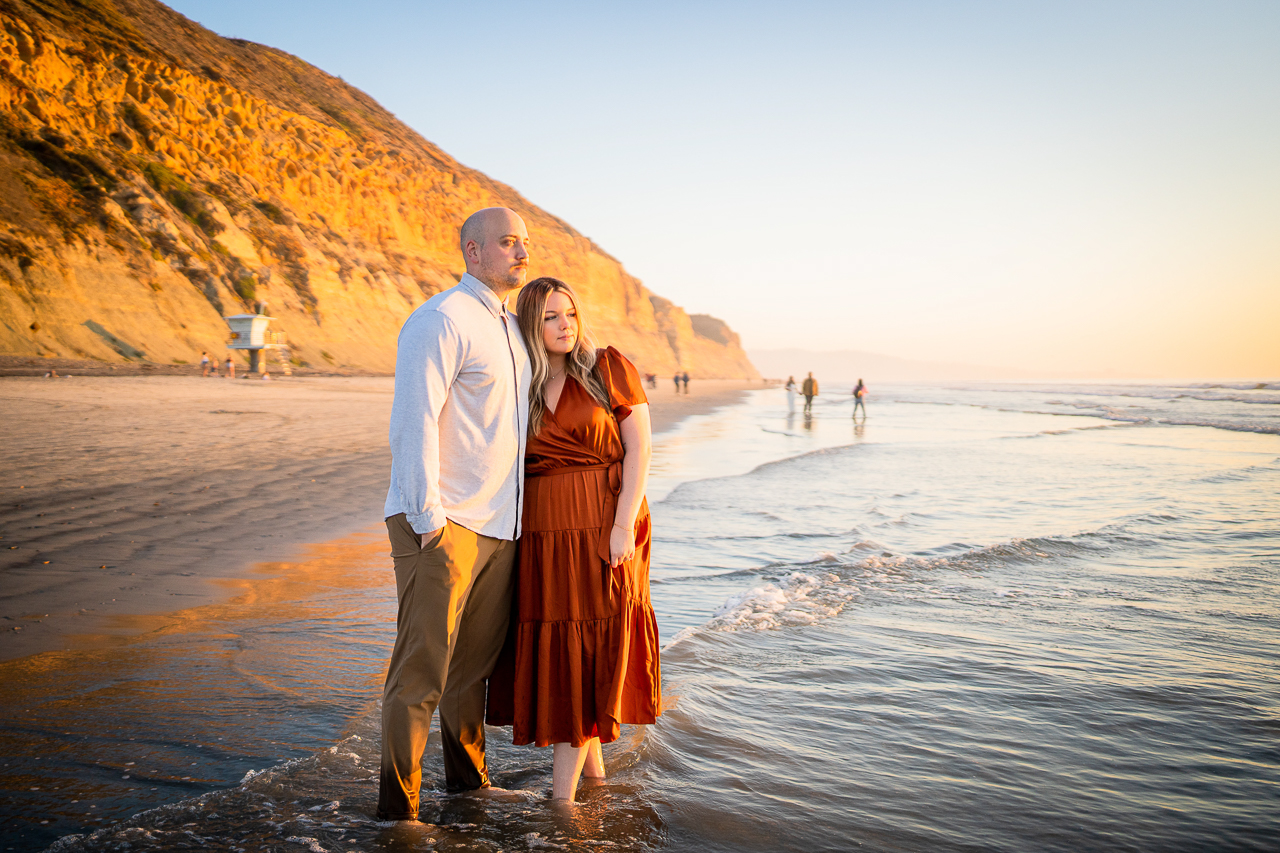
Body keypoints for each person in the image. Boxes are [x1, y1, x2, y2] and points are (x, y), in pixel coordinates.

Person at [378, 207, 532, 821]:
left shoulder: (514, 328)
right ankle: (400, 810)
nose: (521, 253)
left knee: (471, 673)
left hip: (500, 527)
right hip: (443, 524)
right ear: (472, 250)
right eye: (507, 243)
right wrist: (428, 521)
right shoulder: (441, 318)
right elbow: (412, 421)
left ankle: (468, 785)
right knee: (421, 673)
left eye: (524, 243)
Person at [487, 276, 661, 803]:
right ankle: (597, 781)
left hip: (604, 525)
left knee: (590, 648)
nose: (565, 325)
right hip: (542, 534)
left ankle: (560, 805)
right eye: (550, 317)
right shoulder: (521, 383)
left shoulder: (608, 367)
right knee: (564, 647)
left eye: (571, 314)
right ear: (530, 326)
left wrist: (621, 525)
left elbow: (640, 452)